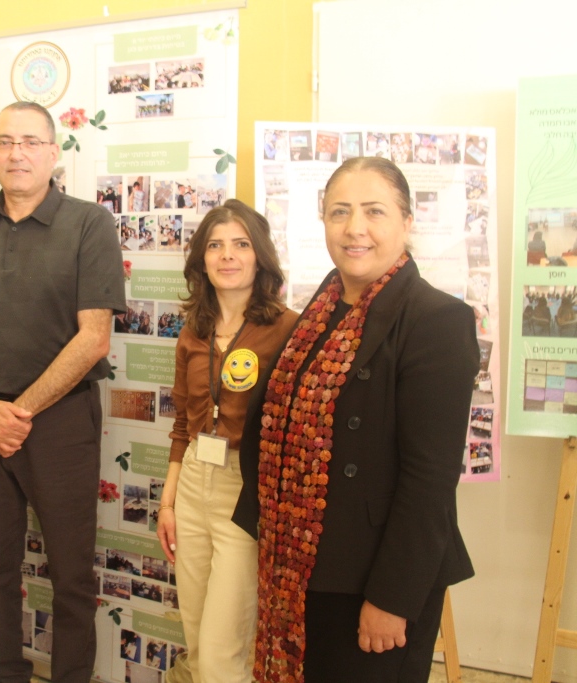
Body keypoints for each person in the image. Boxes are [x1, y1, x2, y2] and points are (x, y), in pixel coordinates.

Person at [233, 157, 478, 682]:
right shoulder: (317, 315)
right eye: (340, 212)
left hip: (373, 578)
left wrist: (392, 598)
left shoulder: (436, 319)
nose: (354, 228)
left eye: (374, 211)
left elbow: (430, 479)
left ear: (407, 221)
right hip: (300, 565)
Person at [0, 101, 125, 683]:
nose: (16, 153)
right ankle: (6, 674)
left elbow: (94, 338)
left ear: (53, 152)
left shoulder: (90, 224)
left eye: (30, 142)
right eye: (5, 141)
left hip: (59, 423)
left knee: (71, 574)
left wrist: (16, 412)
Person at [155, 201, 298, 683]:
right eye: (215, 245)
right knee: (197, 642)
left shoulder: (287, 328)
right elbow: (182, 425)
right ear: (202, 260)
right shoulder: (192, 331)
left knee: (223, 651)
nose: (227, 255)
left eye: (241, 244)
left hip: (246, 489)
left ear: (260, 257)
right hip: (194, 480)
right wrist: (168, 502)